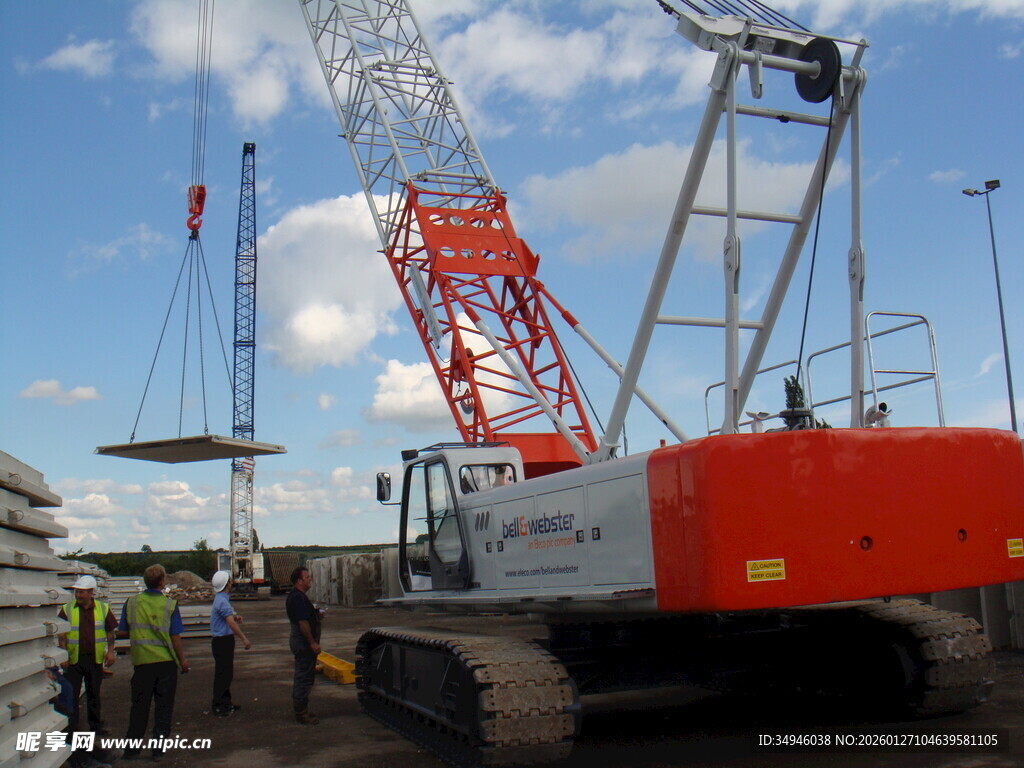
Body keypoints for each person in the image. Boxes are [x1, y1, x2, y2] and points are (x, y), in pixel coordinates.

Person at [118, 564, 190, 760]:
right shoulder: (169, 605)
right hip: (165, 663)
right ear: (162, 582)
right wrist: (182, 660)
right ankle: (158, 750)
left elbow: (123, 630)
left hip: (142, 663)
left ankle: (131, 750)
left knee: (139, 707)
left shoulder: (131, 603)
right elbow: (175, 637)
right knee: (163, 708)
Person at [58, 575, 117, 737]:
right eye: (77, 592)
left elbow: (110, 631)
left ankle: (95, 726)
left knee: (94, 694)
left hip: (94, 659)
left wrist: (110, 651)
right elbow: (61, 634)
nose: (78, 595)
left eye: (82, 592)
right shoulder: (67, 609)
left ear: (92, 593)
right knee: (73, 695)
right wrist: (63, 655)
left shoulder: (103, 609)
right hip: (73, 660)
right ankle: (72, 728)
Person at [209, 570, 251, 716]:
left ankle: (226, 703)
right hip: (223, 642)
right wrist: (244, 638)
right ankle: (219, 706)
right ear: (226, 584)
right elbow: (230, 624)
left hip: (222, 642)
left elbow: (228, 614)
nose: (232, 581)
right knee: (223, 675)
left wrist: (234, 615)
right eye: (230, 580)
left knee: (225, 674)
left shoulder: (222, 598)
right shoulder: (221, 600)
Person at [285, 566, 322, 725]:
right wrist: (312, 642)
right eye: (307, 577)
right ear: (299, 581)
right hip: (303, 642)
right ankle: (301, 713)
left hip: (301, 641)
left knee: (305, 674)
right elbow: (302, 622)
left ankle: (302, 710)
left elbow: (305, 617)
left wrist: (316, 615)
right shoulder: (298, 598)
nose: (310, 579)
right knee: (304, 676)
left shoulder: (298, 596)